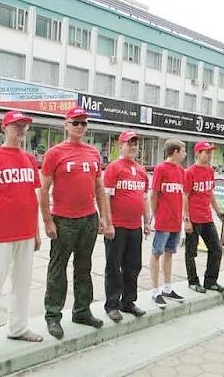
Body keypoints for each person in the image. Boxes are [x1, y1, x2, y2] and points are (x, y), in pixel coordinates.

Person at [0, 111, 43, 363]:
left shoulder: (28, 158)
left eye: (24, 126)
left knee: (22, 283)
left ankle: (18, 327)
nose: (21, 130)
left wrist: (35, 231)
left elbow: (31, 197)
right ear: (5, 128)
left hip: (25, 233)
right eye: (16, 126)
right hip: (0, 234)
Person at [40, 107, 112, 339]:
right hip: (63, 220)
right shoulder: (55, 153)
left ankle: (82, 310)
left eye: (83, 123)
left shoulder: (93, 153)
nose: (79, 127)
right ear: (66, 125)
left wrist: (103, 217)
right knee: (57, 269)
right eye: (75, 123)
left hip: (88, 219)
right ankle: (53, 316)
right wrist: (48, 221)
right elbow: (43, 190)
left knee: (84, 268)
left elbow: (99, 188)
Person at [103, 130, 151, 322]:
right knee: (114, 266)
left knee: (133, 266)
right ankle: (112, 304)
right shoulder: (114, 168)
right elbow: (105, 197)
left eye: (135, 144)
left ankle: (128, 302)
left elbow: (144, 198)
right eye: (129, 143)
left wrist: (147, 222)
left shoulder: (141, 171)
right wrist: (108, 223)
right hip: (117, 226)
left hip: (135, 228)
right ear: (120, 145)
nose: (133, 147)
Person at [183, 142, 224, 293]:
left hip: (207, 217)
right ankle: (193, 281)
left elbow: (210, 193)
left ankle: (211, 281)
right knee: (191, 252)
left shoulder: (210, 171)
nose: (209, 155)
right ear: (198, 153)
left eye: (210, 152)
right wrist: (186, 219)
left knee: (216, 249)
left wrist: (218, 211)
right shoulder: (189, 172)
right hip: (194, 219)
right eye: (206, 152)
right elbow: (185, 196)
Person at [150, 139, 186, 308]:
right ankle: (155, 291)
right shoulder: (161, 169)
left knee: (169, 253)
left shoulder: (181, 170)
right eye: (183, 151)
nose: (185, 154)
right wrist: (156, 215)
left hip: (176, 221)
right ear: (175, 152)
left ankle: (167, 287)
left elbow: (182, 195)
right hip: (163, 220)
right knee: (157, 253)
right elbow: (154, 194)